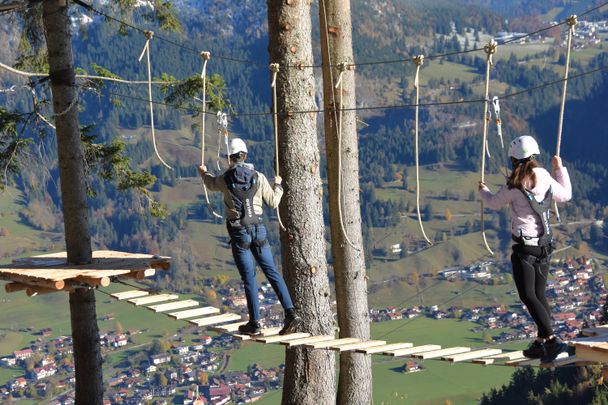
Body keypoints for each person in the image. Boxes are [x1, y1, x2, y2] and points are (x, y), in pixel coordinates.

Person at [478, 135, 572, 363]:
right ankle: (541, 342)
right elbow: (566, 195)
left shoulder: (514, 185)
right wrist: (560, 169)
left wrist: (483, 189)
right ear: (533, 155)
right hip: (544, 247)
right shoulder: (545, 176)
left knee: (528, 295)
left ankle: (551, 340)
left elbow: (492, 202)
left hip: (525, 249)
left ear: (513, 160)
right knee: (539, 294)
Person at [197, 138, 301, 336]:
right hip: (258, 229)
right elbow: (273, 202)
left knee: (249, 278)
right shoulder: (258, 177)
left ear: (230, 158)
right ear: (245, 155)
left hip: (239, 232)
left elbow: (211, 184)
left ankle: (255, 324)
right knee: (272, 272)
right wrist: (278, 185)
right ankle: (291, 313)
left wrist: (203, 174)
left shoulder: (225, 178)